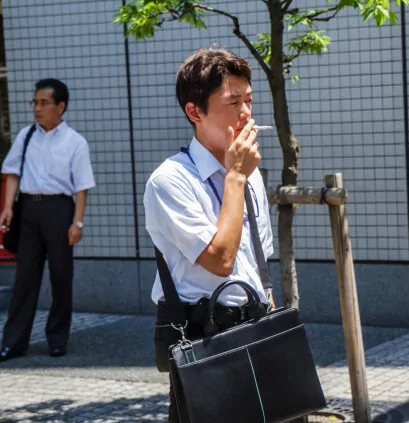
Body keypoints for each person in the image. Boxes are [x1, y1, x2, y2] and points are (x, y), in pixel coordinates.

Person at [143, 46, 275, 422]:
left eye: (249, 100)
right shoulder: (170, 180)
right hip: (203, 333)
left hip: (255, 324)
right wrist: (235, 176)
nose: (246, 113)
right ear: (194, 112)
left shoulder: (249, 173)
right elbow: (220, 260)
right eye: (233, 102)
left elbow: (258, 260)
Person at [0, 78, 96, 363]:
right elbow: (12, 172)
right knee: (24, 279)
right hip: (28, 211)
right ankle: (13, 343)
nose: (37, 108)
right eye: (35, 102)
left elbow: (82, 187)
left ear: (60, 106)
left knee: (61, 277)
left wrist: (77, 223)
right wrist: (7, 207)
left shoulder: (75, 141)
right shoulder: (26, 136)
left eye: (43, 103)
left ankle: (57, 340)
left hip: (59, 210)